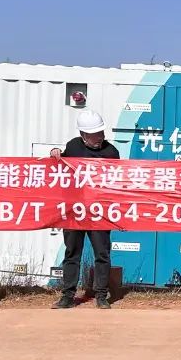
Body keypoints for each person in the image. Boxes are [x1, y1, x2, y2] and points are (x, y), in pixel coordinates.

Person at [50, 110, 120, 309]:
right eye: (94, 134)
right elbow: (59, 166)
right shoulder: (73, 146)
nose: (99, 137)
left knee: (102, 254)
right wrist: (55, 153)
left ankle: (101, 295)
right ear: (83, 135)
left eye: (101, 133)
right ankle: (67, 296)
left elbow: (117, 180)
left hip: (99, 211)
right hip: (75, 210)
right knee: (72, 253)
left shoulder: (111, 152)